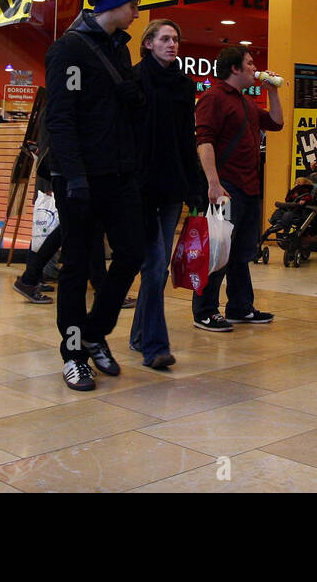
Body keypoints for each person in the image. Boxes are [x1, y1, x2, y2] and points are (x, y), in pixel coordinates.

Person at [42, 0, 145, 391]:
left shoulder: (119, 49)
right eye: (133, 5)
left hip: (120, 175)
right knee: (76, 266)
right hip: (80, 178)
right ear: (114, 6)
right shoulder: (69, 50)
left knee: (132, 252)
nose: (137, 12)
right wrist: (75, 177)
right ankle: (73, 354)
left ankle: (94, 330)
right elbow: (61, 119)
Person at [130, 19, 205, 370]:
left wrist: (197, 186)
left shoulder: (184, 85)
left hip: (173, 185)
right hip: (141, 186)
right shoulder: (133, 79)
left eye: (175, 38)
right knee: (156, 265)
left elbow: (186, 140)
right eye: (164, 38)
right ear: (148, 44)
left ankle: (139, 334)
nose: (172, 44)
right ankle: (155, 347)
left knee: (155, 268)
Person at [192, 45, 283, 331]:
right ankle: (205, 310)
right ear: (235, 68)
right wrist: (213, 183)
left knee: (241, 251)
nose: (255, 68)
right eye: (250, 63)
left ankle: (240, 307)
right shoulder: (213, 98)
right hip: (226, 186)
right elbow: (203, 140)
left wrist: (274, 91)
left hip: (249, 187)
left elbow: (277, 123)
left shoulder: (246, 103)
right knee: (218, 250)